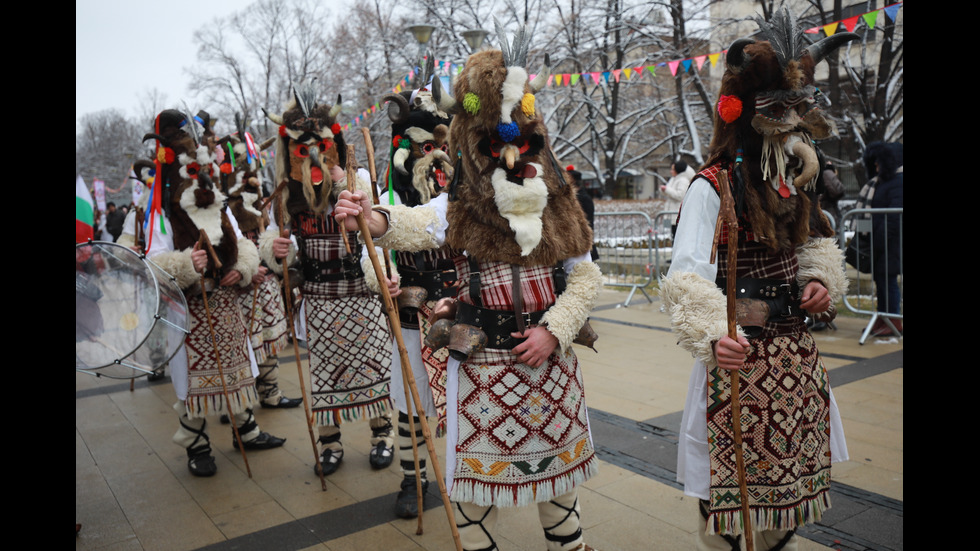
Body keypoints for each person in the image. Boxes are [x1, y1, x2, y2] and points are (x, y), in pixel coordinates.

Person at [336, 27, 602, 551]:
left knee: (559, 484)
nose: (508, 157)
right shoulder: (459, 203)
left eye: (519, 144)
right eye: (492, 144)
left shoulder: (559, 200)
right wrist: (374, 216)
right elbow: (414, 224)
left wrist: (555, 330)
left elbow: (586, 275)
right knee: (475, 493)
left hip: (550, 361)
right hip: (481, 363)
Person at [659, 10, 852, 549]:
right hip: (737, 362)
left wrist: (818, 277)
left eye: (798, 108)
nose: (791, 121)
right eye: (777, 108)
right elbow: (685, 276)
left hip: (795, 361)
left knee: (786, 500)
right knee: (724, 500)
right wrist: (710, 334)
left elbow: (816, 241)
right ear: (744, 108)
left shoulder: (795, 179)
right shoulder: (711, 186)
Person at [260, 82, 394, 477]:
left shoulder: (357, 181)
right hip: (318, 298)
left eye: (319, 147)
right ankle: (330, 443)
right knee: (323, 375)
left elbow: (378, 220)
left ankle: (382, 434)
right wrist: (275, 250)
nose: (313, 157)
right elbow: (272, 233)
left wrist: (342, 181)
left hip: (361, 294)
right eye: (303, 150)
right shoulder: (288, 195)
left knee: (374, 366)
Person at [144, 109, 285, 477]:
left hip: (224, 304)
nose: (202, 180)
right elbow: (151, 263)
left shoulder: (220, 209)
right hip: (187, 309)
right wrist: (186, 263)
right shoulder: (161, 214)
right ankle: (196, 442)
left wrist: (241, 268)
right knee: (194, 379)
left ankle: (246, 429)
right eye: (192, 171)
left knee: (236, 370)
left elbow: (243, 243)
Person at [377, 70, 458, 518]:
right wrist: (383, 279)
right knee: (411, 404)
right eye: (426, 148)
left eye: (441, 147)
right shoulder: (387, 192)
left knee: (466, 395)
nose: (437, 157)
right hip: (410, 313)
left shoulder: (464, 189)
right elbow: (372, 251)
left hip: (460, 312)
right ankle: (413, 479)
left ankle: (466, 470)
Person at [858, 142, 903, 336]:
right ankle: (883, 317)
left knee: (888, 280)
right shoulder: (882, 181)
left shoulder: (898, 181)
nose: (876, 166)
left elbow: (893, 217)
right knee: (881, 281)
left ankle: (893, 320)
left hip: (891, 242)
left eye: (879, 162)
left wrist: (880, 240)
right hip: (880, 241)